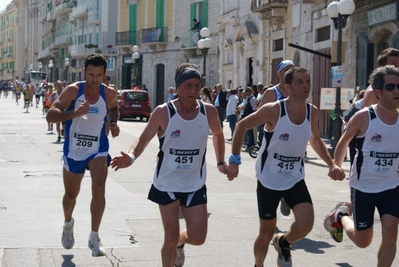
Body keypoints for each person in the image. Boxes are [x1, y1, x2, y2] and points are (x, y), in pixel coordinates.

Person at [225, 67, 345, 267]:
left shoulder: (311, 111)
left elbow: (315, 139)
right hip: (269, 178)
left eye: (307, 81)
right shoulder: (273, 109)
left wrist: (331, 164)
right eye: (300, 82)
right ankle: (258, 265)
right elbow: (241, 126)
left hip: (294, 178)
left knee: (306, 224)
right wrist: (234, 161)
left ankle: (283, 241)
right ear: (287, 87)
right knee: (265, 233)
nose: (305, 85)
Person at [110, 63, 227, 267]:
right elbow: (143, 139)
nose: (193, 91)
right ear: (178, 87)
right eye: (188, 85)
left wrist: (220, 161)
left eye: (197, 85)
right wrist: (130, 157)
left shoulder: (208, 112)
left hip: (195, 184)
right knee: (170, 238)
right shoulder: (164, 112)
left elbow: (218, 134)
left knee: (198, 238)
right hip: (167, 184)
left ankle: (182, 242)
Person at [323, 65, 399, 267]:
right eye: (391, 87)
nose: (397, 91)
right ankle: (341, 216)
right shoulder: (365, 116)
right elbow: (343, 141)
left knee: (391, 234)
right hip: (364, 186)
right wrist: (336, 166)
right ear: (378, 92)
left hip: (392, 185)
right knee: (363, 241)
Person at [46, 53, 120, 257]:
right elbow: (50, 115)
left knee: (99, 189)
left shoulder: (109, 93)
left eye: (98, 75)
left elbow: (113, 108)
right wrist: (74, 113)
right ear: (84, 72)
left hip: (98, 149)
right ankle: (68, 224)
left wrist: (113, 123)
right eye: (90, 74)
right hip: (74, 150)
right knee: (71, 195)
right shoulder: (73, 91)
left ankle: (94, 237)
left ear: (105, 74)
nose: (94, 79)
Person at [260, 59, 295, 217]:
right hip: (274, 140)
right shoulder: (271, 93)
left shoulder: (298, 90)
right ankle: (271, 206)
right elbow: (260, 116)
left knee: (292, 172)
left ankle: (286, 197)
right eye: (286, 70)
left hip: (294, 141)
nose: (290, 73)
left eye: (292, 70)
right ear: (279, 74)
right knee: (272, 174)